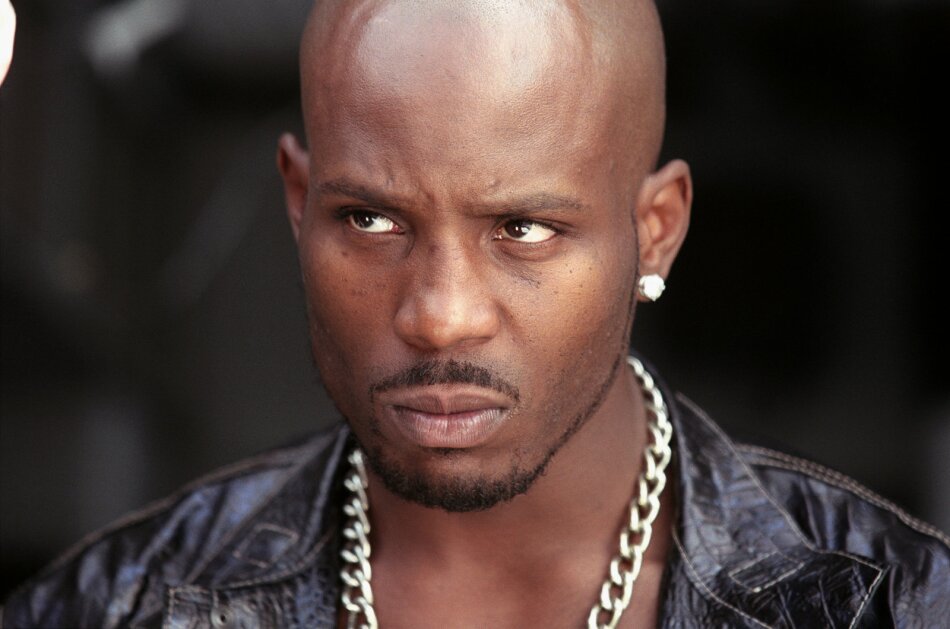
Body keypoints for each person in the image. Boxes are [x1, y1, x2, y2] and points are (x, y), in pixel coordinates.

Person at [3, 1, 947, 627]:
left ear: (655, 232)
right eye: (370, 219)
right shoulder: (112, 608)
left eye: (524, 229)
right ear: (299, 203)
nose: (441, 316)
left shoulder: (901, 606)